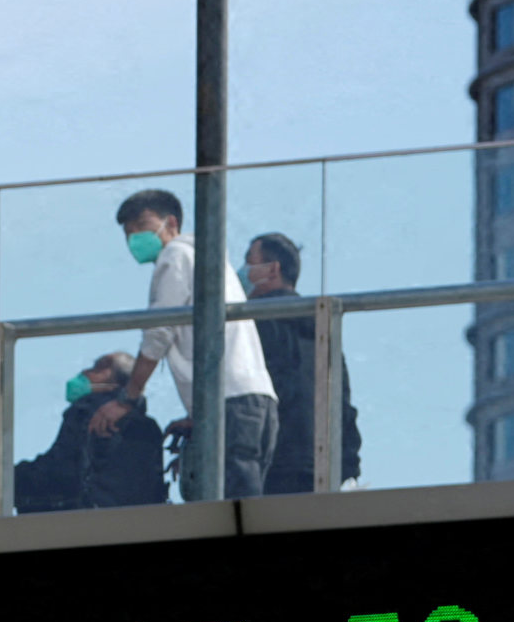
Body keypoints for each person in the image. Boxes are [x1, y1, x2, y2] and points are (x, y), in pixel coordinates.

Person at [116, 189, 275, 501]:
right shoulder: (209, 260)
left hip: (230, 403)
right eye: (128, 232)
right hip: (253, 403)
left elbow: (158, 333)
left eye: (142, 224)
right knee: (243, 505)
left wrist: (129, 397)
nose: (135, 236)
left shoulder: (175, 255)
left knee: (226, 515)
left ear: (171, 222)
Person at [242, 233, 364, 495]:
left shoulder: (254, 322)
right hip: (321, 463)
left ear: (272, 269)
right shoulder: (323, 326)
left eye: (249, 262)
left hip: (273, 459)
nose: (244, 272)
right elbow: (342, 400)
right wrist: (348, 463)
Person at [4, 353, 170, 514]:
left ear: (116, 384)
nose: (84, 372)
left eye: (97, 368)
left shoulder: (88, 413)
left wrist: (7, 484)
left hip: (88, 524)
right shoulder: (148, 425)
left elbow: (58, 468)